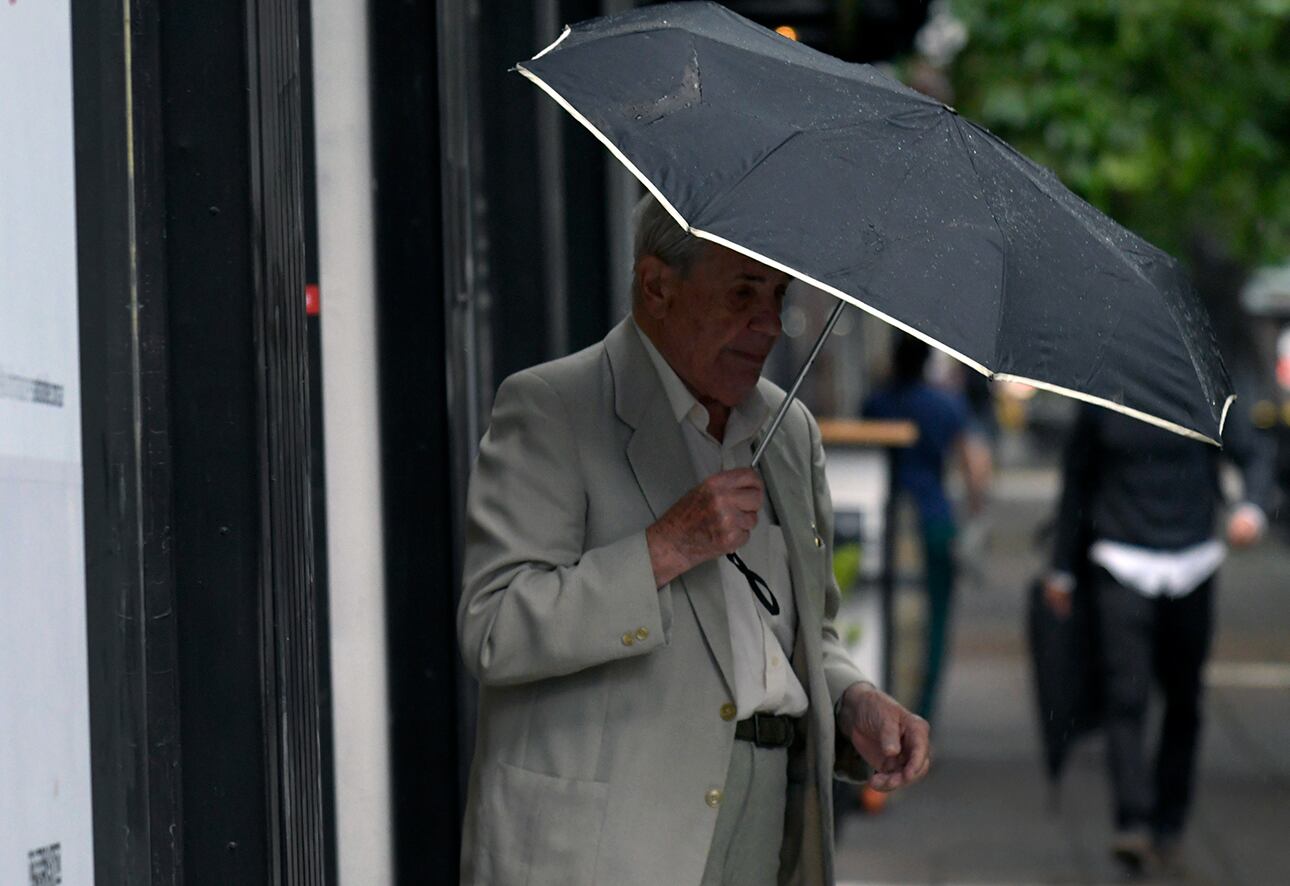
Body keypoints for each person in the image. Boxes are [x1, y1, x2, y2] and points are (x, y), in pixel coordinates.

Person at [457, 195, 930, 886]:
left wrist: (855, 701)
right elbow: (494, 626)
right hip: (608, 846)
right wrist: (663, 548)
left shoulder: (789, 433)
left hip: (765, 823)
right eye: (742, 293)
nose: (768, 323)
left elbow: (802, 638)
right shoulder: (554, 408)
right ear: (657, 286)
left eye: (777, 294)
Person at [1043, 404, 1273, 871]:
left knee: (1184, 699)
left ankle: (1170, 818)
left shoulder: (1205, 395)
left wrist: (1252, 507)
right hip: (1120, 558)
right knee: (1125, 693)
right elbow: (1077, 482)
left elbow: (1254, 454)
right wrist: (1062, 567)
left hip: (1193, 560)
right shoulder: (1103, 396)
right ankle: (1134, 820)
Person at [862, 335, 991, 721]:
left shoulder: (876, 403)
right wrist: (975, 512)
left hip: (885, 520)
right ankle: (921, 717)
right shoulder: (945, 404)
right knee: (934, 623)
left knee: (882, 614)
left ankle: (882, 704)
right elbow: (975, 465)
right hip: (934, 519)